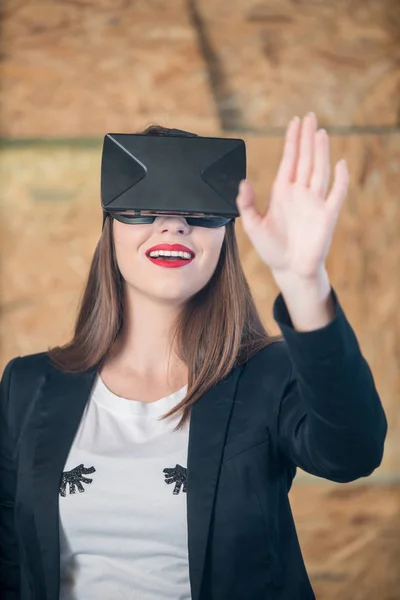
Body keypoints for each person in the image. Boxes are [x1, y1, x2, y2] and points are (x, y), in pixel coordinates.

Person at [0, 113, 387, 600]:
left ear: (226, 235)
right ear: (110, 229)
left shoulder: (270, 376)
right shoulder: (27, 386)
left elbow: (352, 453)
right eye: (144, 208)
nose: (173, 224)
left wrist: (304, 282)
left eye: (199, 212)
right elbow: (12, 563)